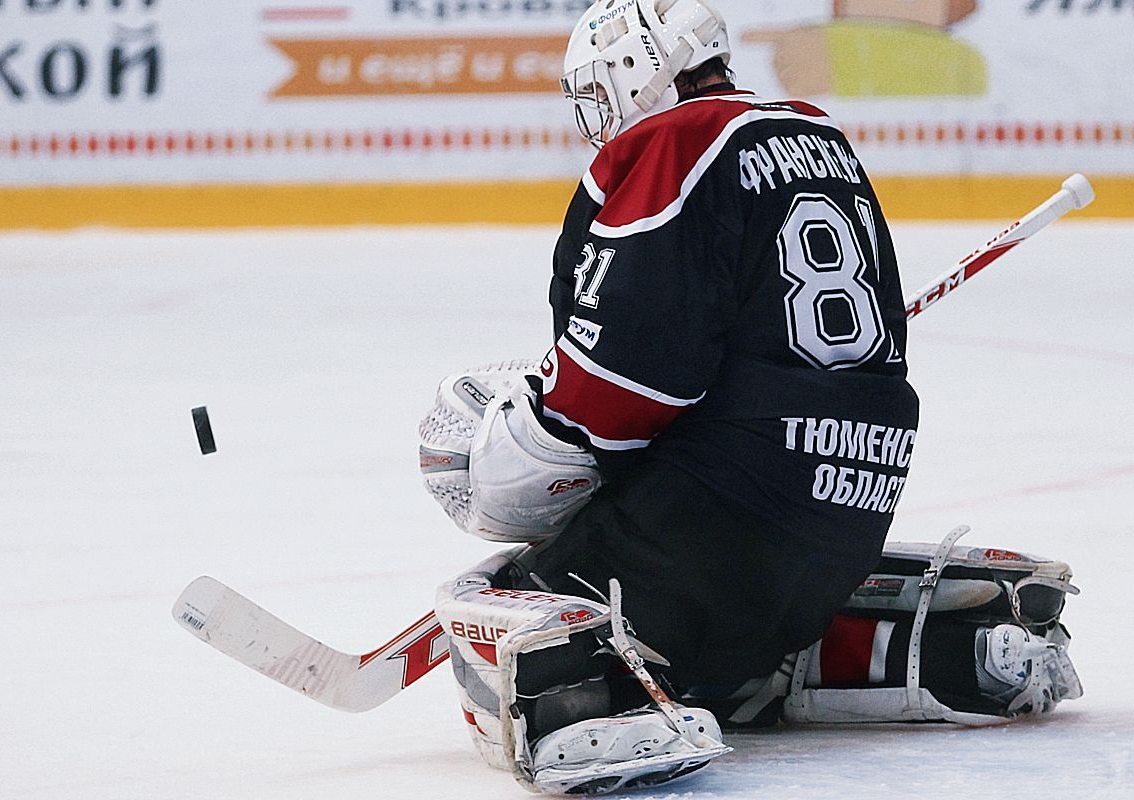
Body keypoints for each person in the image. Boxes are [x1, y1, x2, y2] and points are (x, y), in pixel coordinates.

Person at [418, 1, 1080, 794]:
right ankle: (920, 645)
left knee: (512, 593)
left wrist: (545, 446)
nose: (601, 118)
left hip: (716, 520)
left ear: (639, 67)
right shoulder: (817, 135)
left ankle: (595, 704)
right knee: (750, 604)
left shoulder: (671, 144)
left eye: (601, 88)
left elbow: (627, 380)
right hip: (850, 511)